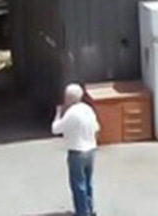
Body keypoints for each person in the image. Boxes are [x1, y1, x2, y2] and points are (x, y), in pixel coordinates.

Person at [53, 83, 101, 216]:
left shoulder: (71, 113)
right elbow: (97, 128)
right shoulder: (88, 109)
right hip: (91, 149)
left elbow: (56, 129)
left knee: (78, 184)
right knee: (88, 181)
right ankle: (90, 209)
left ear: (68, 98)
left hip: (77, 151)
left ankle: (82, 212)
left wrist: (58, 114)